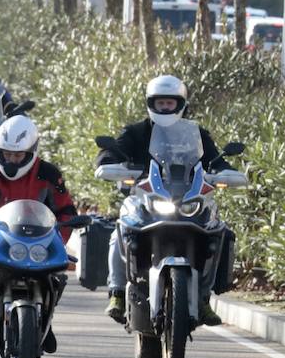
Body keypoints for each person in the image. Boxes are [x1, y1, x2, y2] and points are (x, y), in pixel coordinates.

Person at [97, 75, 231, 327]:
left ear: (181, 104)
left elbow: (216, 160)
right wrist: (108, 161)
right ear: (151, 104)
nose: (166, 108)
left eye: (170, 103)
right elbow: (113, 150)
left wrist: (226, 171)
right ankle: (116, 293)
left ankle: (203, 298)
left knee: (217, 230)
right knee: (120, 230)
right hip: (145, 199)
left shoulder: (197, 134)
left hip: (189, 199)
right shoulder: (135, 132)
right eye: (161, 103)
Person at [0, 116, 77, 346]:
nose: (11, 159)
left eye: (17, 154)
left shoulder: (49, 174)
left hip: (38, 241)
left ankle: (45, 319)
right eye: (7, 154)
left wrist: (57, 241)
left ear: (31, 151)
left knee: (56, 278)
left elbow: (66, 211)